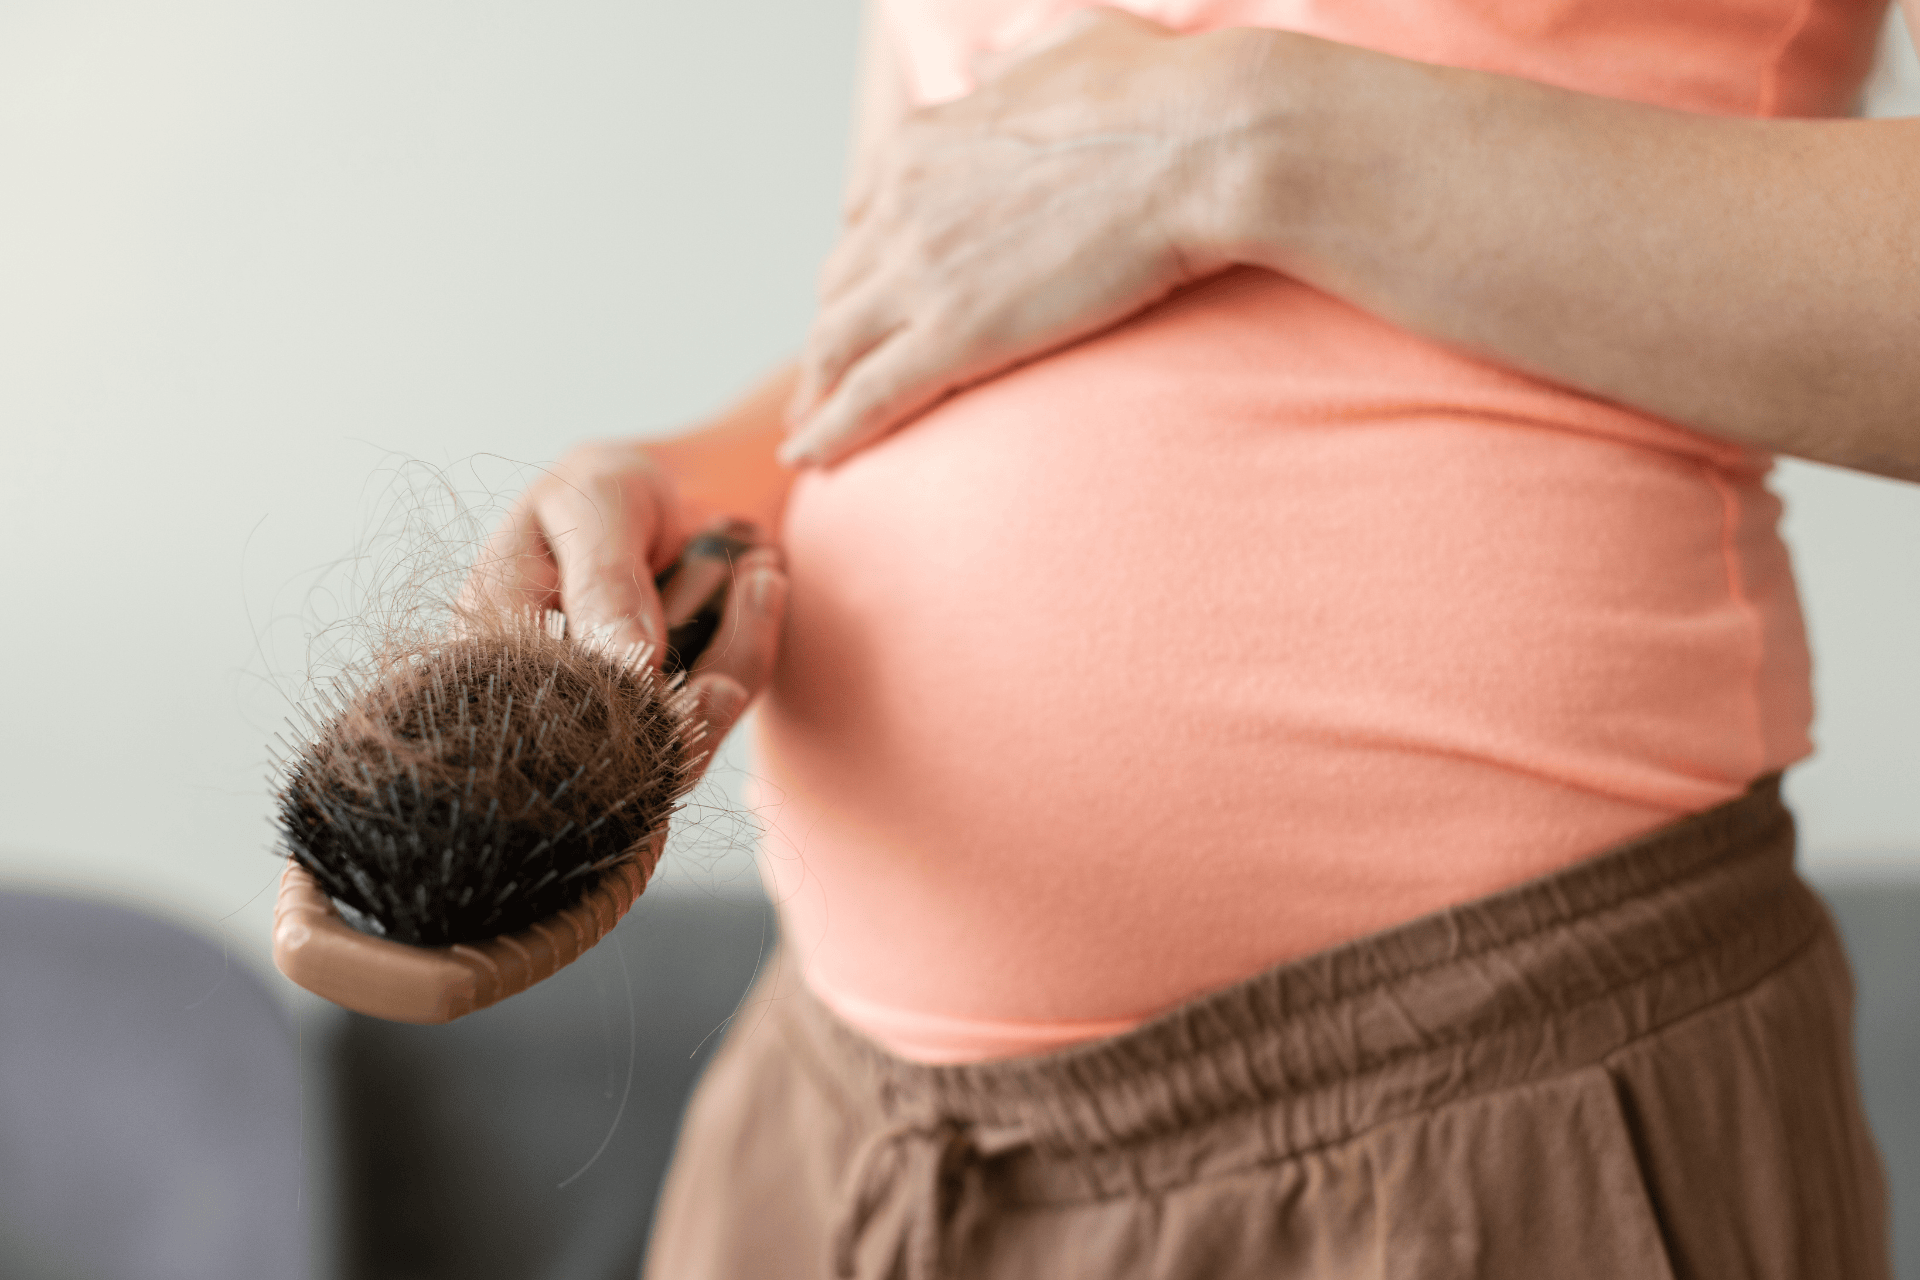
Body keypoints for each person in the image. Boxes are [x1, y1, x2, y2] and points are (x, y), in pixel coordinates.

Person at [472, 2, 1910, 1275]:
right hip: (835, 1127)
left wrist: (1252, 136)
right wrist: (692, 491)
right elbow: (934, 285)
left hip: (1487, 1114)